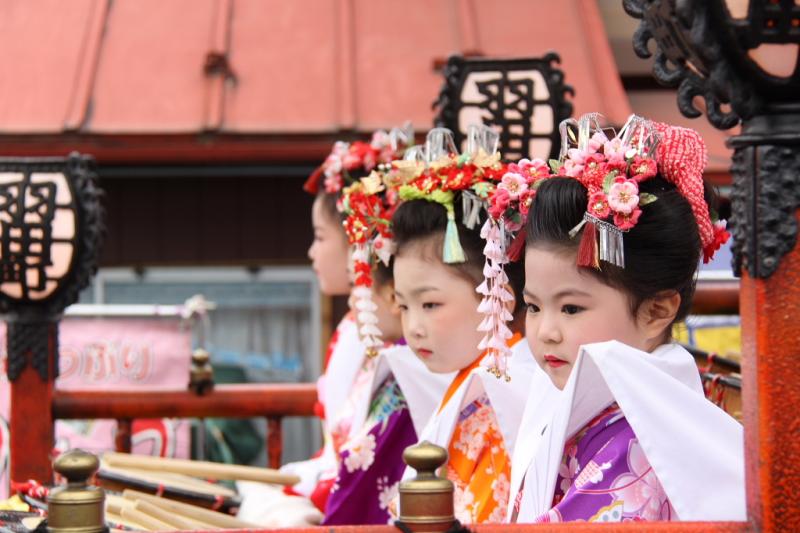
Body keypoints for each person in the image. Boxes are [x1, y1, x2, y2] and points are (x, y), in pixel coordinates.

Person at [505, 114, 744, 523]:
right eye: (534, 307)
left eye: (571, 308)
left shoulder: (642, 440)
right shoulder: (581, 402)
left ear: (656, 312)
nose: (545, 332)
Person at [391, 127, 536, 524]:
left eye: (430, 304)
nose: (413, 327)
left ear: (498, 296)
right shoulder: (477, 379)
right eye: (403, 306)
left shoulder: (505, 399)